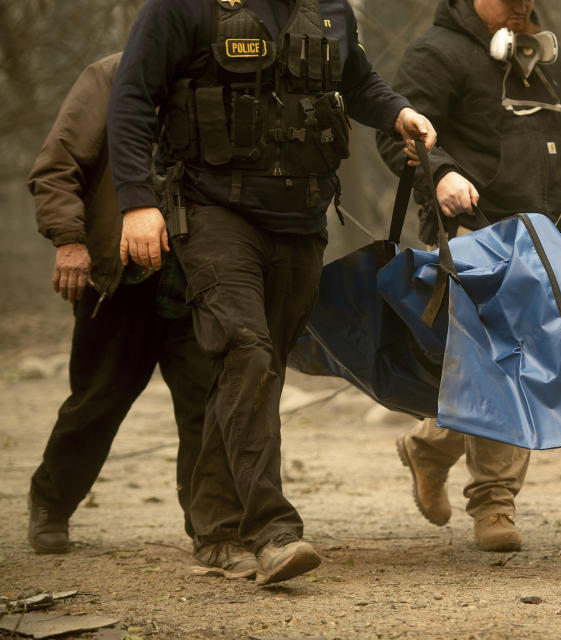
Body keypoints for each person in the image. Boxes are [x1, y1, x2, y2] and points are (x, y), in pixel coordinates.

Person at [107, 0, 436, 586]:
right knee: (247, 353)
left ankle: (214, 529)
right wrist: (136, 201)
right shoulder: (181, 8)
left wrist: (399, 112)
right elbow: (131, 99)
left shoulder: (331, 11)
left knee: (256, 371)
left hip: (301, 218)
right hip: (211, 211)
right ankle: (272, 531)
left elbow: (356, 82)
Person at [377, 0, 561, 552]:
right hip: (470, 237)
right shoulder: (436, 53)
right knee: (507, 365)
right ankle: (493, 502)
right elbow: (394, 135)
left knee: (513, 367)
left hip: (542, 242)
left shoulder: (548, 57)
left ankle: (430, 447)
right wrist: (441, 171)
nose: (523, 6)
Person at [26, 54, 216, 566]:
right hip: (119, 278)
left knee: (206, 407)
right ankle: (50, 503)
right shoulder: (110, 75)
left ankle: (209, 526)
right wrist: (69, 240)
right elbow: (56, 167)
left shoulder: (226, 70)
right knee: (96, 402)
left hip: (197, 278)